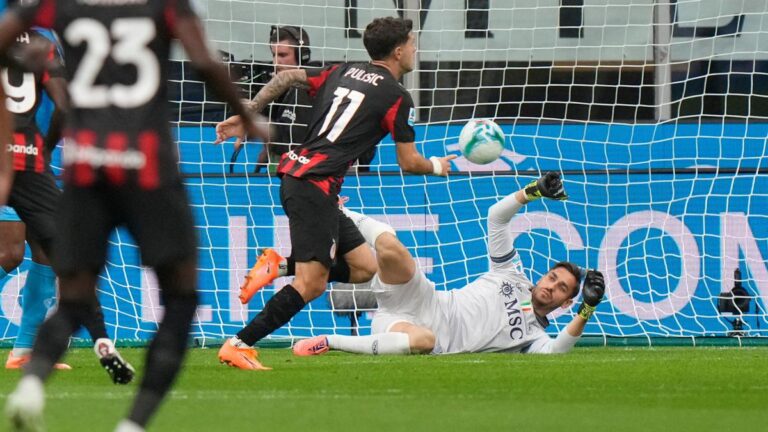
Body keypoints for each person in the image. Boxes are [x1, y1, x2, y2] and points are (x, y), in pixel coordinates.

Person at [0, 0, 267, 430]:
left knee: (73, 295)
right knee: (180, 300)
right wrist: (248, 115)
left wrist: (15, 61)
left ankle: (31, 384)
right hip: (147, 168)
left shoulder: (61, 10)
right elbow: (204, 63)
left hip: (86, 167)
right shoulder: (165, 8)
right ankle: (134, 423)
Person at [214, 16, 456, 370]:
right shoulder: (397, 97)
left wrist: (249, 110)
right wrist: (436, 165)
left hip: (306, 180)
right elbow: (408, 162)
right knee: (311, 284)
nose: (415, 49)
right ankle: (238, 344)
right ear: (398, 50)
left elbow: (285, 77)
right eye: (412, 43)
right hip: (314, 185)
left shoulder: (342, 70)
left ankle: (279, 265)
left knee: (365, 268)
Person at [293, 172, 606, 356]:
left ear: (566, 303)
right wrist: (532, 192)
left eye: (561, 288)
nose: (552, 286)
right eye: (552, 277)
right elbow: (497, 218)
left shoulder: (532, 338)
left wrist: (587, 309)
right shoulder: (511, 273)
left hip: (415, 333)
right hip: (424, 298)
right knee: (390, 247)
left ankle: (328, 341)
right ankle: (338, 212)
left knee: (424, 341)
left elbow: (557, 352)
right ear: (544, 275)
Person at [0, 22, 133, 378]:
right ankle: (95, 339)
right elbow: (66, 102)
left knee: (48, 254)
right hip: (27, 157)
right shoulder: (42, 39)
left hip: (26, 159)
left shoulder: (42, 34)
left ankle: (25, 349)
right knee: (11, 252)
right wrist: (44, 146)